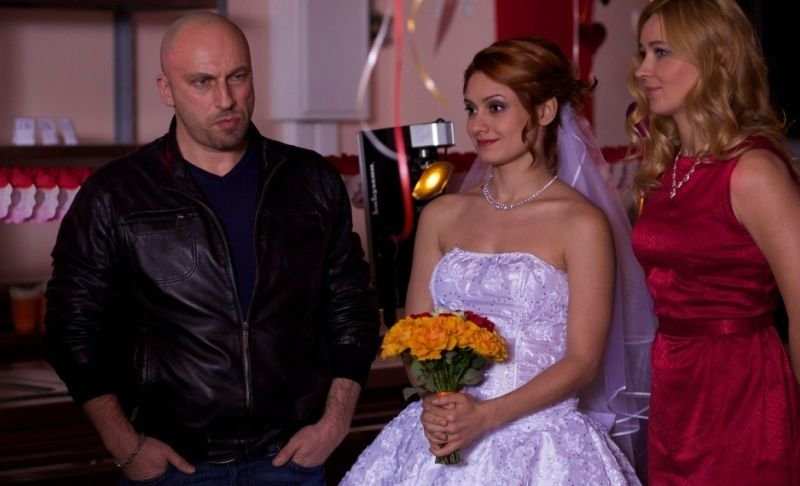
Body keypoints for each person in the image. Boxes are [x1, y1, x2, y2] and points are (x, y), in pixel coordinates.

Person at [45, 12, 379, 486]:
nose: (226, 99)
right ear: (166, 90)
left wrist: (336, 422)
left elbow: (352, 307)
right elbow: (71, 329)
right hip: (172, 464)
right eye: (202, 82)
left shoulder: (310, 180)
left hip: (291, 459)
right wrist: (125, 445)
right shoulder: (115, 194)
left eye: (237, 77)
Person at [340, 37, 656, 485]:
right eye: (471, 109)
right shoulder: (442, 214)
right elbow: (414, 334)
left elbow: (582, 361)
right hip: (441, 433)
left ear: (544, 111)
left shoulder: (580, 223)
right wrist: (437, 400)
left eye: (496, 107)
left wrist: (486, 416)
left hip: (542, 445)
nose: (478, 125)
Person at [629, 0, 800, 484]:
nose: (643, 70)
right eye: (643, 52)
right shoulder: (665, 168)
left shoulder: (753, 171)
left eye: (661, 52)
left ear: (714, 58)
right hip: (674, 381)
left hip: (741, 383)